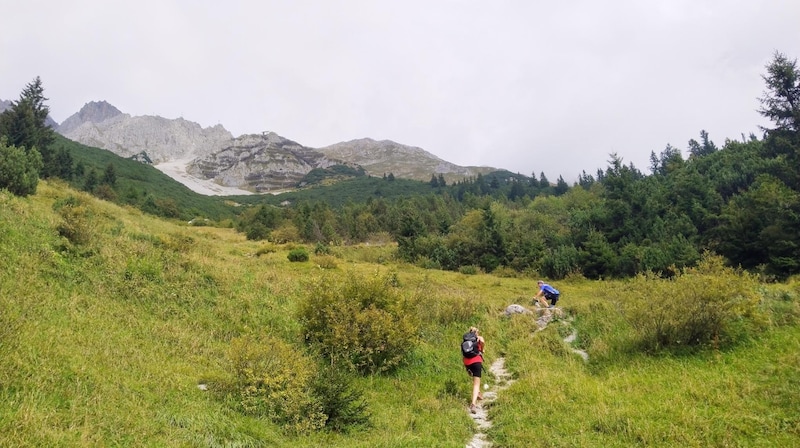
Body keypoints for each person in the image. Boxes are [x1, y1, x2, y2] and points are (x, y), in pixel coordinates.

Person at [463, 326, 485, 414]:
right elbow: (482, 342)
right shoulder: (479, 338)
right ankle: (473, 404)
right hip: (476, 361)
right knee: (476, 383)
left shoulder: (466, 339)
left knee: (473, 376)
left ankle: (478, 392)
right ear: (477, 332)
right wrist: (482, 349)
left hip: (466, 361)